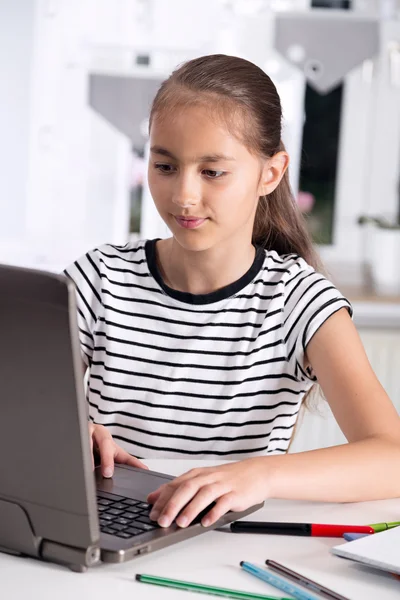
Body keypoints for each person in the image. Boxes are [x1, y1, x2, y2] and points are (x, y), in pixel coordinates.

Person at [65, 54, 400, 532]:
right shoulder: (99, 279)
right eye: (165, 165)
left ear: (270, 173)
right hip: (100, 529)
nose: (183, 195)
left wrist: (259, 475)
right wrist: (66, 434)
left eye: (212, 172)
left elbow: (392, 458)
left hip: (223, 547)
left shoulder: (300, 303)